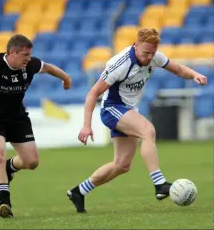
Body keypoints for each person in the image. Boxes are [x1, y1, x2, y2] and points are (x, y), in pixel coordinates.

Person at [67, 28, 207, 213]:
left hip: (129, 110)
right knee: (148, 131)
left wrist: (194, 74)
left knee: (122, 165)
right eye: (145, 53)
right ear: (136, 45)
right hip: (112, 109)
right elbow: (93, 93)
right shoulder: (120, 64)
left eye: (152, 53)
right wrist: (86, 125)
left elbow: (179, 70)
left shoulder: (155, 56)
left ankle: (79, 191)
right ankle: (159, 184)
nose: (149, 57)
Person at [0, 34, 72, 218]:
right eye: (25, 54)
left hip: (17, 116)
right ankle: (4, 202)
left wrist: (65, 77)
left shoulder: (30, 65)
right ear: (12, 53)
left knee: (31, 162)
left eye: (29, 54)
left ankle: (11, 167)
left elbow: (48, 67)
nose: (28, 58)